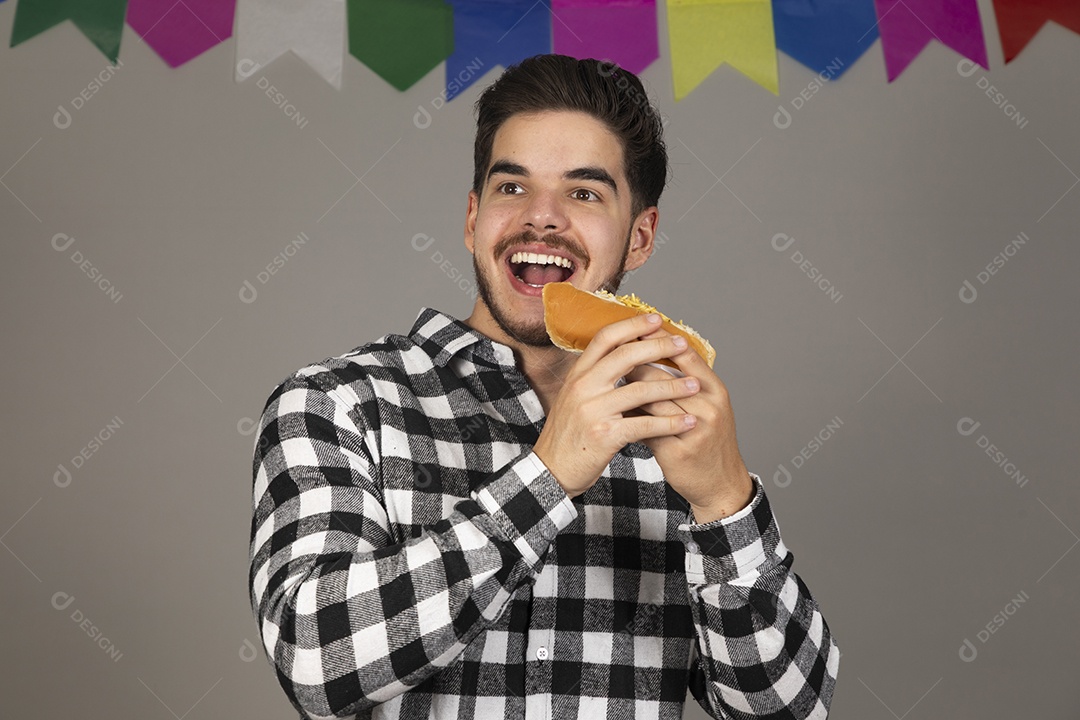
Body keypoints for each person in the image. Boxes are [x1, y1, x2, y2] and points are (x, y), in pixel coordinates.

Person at [248, 54, 839, 720]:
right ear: (473, 218)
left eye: (584, 193)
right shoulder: (337, 404)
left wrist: (725, 501)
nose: (542, 218)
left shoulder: (673, 433)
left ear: (639, 237)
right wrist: (550, 475)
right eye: (512, 187)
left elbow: (787, 712)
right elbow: (313, 661)